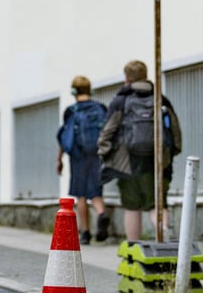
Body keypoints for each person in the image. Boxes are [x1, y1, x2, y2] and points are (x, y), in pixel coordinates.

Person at [98, 60, 183, 242]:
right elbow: (175, 131)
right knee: (157, 205)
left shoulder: (121, 100)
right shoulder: (160, 98)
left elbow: (107, 131)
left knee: (132, 207)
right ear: (146, 76)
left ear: (126, 78)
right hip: (158, 163)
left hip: (127, 164)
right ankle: (164, 235)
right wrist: (170, 155)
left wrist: (106, 155)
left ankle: (132, 249)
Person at [56, 76, 110, 244]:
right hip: (97, 155)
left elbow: (64, 137)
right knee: (95, 191)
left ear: (74, 91)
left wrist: (59, 159)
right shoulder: (100, 108)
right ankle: (102, 213)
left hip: (78, 156)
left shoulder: (71, 111)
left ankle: (85, 233)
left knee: (81, 195)